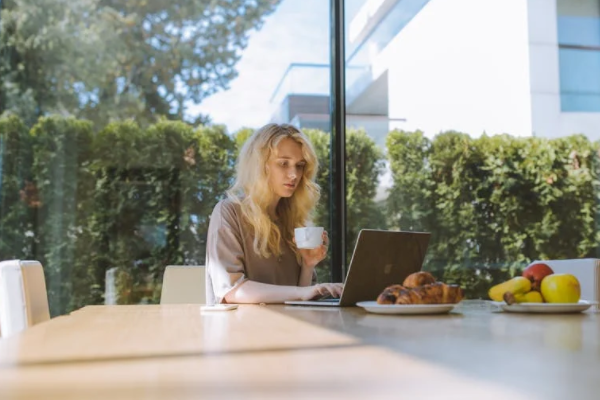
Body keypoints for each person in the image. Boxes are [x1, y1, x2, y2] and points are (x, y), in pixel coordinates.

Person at [205, 123, 344, 304]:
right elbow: (232, 291)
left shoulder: (293, 220)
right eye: (283, 163)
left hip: (286, 328)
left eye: (299, 165)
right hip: (239, 329)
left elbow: (298, 299)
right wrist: (303, 293)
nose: (294, 174)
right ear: (260, 166)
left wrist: (308, 266)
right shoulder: (229, 212)